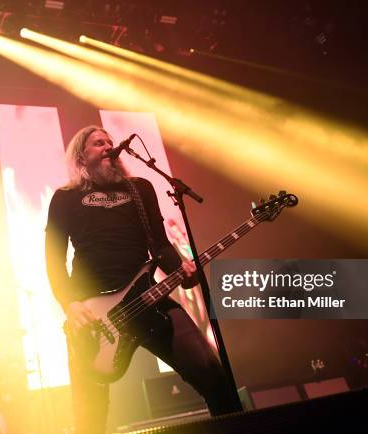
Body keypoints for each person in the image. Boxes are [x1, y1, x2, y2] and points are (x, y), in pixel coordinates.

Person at [45, 126, 238, 434]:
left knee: (213, 374)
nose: (109, 146)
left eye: (110, 141)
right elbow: (53, 259)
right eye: (99, 143)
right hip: (93, 313)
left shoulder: (140, 188)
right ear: (82, 155)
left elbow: (159, 245)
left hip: (148, 298)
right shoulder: (66, 198)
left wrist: (183, 271)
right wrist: (70, 304)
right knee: (89, 414)